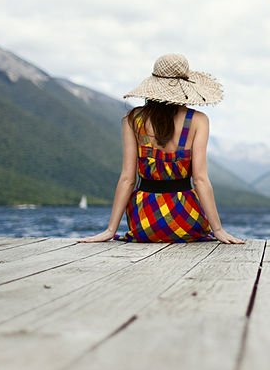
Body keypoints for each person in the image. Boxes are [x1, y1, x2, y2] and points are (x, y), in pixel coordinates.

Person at [81, 53, 244, 244]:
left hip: (145, 222)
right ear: (186, 87)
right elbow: (200, 179)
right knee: (194, 219)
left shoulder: (133, 120)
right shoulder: (199, 121)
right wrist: (218, 230)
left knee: (141, 216)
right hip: (187, 219)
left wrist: (110, 230)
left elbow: (127, 179)